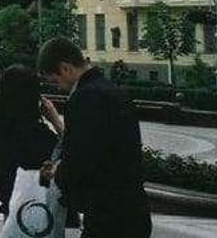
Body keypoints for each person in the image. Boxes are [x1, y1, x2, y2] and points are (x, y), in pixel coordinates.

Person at [38, 37, 151, 237]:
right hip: (134, 209)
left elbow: (81, 160)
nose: (58, 87)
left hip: (107, 215)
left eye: (55, 81)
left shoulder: (84, 98)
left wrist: (58, 171)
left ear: (65, 68)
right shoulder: (116, 91)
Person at [0, 65, 63, 220]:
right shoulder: (38, 134)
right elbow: (70, 150)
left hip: (10, 205)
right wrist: (55, 120)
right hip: (39, 209)